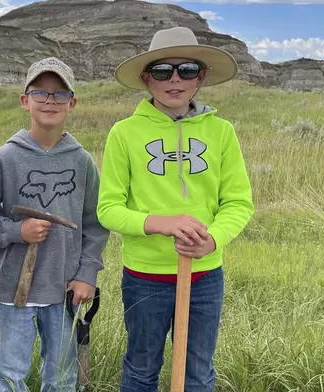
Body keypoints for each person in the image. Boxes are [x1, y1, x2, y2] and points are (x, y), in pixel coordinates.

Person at [96, 27, 255, 391]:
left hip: (204, 277)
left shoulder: (222, 132)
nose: (175, 80)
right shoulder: (124, 133)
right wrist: (161, 223)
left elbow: (238, 202)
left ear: (201, 76)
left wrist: (212, 240)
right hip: (145, 277)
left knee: (198, 372)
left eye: (186, 69)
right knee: (141, 369)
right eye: (163, 71)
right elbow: (108, 209)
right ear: (145, 78)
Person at [0, 57, 109, 391]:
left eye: (60, 94)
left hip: (64, 290)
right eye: (40, 92)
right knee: (9, 371)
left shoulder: (81, 162)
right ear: (25, 101)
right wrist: (17, 232)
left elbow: (95, 223)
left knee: (62, 373)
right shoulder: (5, 159)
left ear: (72, 103)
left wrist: (86, 275)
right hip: (13, 290)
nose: (50, 101)